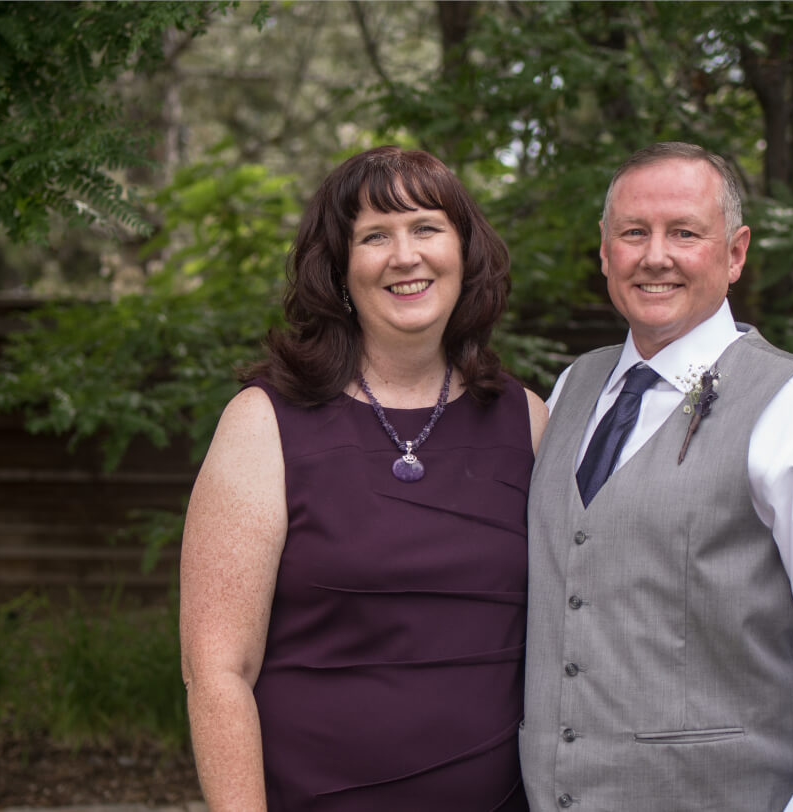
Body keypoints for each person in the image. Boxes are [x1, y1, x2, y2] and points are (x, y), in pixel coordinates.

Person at [519, 142, 793, 811]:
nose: (655, 256)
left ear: (735, 254)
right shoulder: (571, 389)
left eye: (684, 233)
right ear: (604, 251)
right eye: (633, 233)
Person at [180, 146, 548, 812]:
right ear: (339, 270)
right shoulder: (263, 425)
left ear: (464, 252)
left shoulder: (527, 420)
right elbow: (216, 672)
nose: (405, 256)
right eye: (374, 236)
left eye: (426, 228)